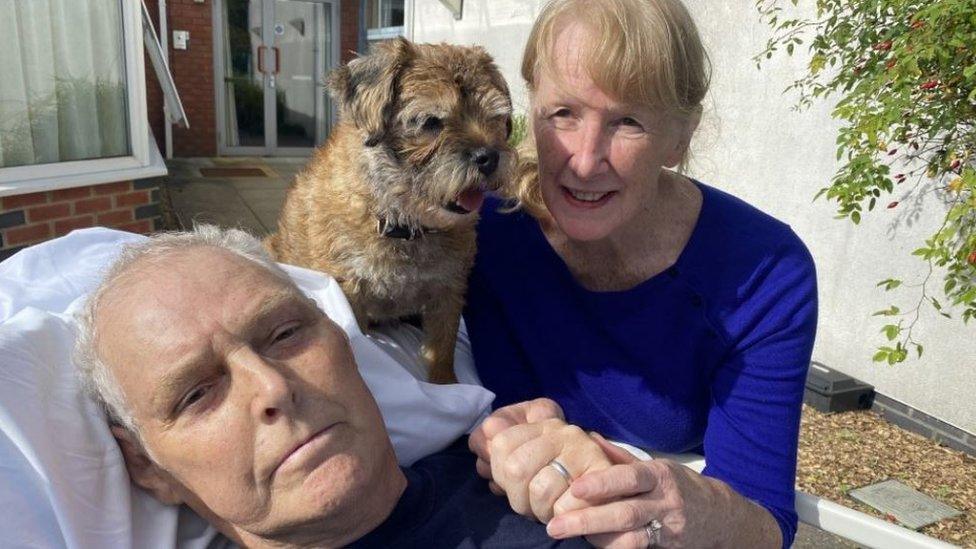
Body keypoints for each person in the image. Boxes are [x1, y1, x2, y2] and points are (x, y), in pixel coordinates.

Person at [463, 0, 818, 547]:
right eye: (563, 113)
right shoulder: (482, 221)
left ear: (681, 138)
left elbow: (765, 524)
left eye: (627, 121)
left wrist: (688, 503)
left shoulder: (762, 273)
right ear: (528, 108)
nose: (584, 160)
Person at [73, 226, 608, 548]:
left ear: (344, 342)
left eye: (284, 334)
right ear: (146, 466)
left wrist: (661, 514)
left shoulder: (527, 475)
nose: (272, 388)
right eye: (196, 393)